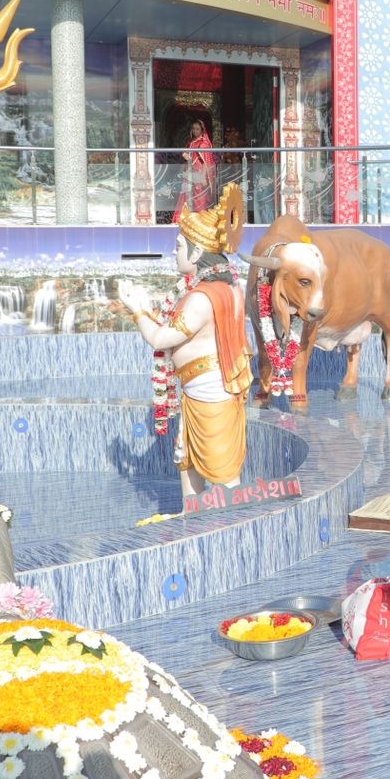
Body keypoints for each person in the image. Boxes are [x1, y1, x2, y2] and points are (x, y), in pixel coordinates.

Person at [120, 184, 253, 496]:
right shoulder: (230, 288)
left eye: (179, 246)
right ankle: (190, 516)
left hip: (209, 394)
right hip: (203, 390)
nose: (174, 252)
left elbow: (160, 339)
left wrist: (137, 310)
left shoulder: (201, 298)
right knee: (188, 460)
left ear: (196, 253)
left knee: (221, 472)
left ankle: (231, 519)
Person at [174, 119, 217, 218]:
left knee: (199, 197)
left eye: (197, 129)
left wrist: (203, 177)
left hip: (198, 173)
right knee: (186, 193)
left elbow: (206, 161)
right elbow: (188, 154)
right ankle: (184, 217)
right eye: (193, 128)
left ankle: (199, 218)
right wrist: (185, 155)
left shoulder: (204, 143)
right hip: (189, 171)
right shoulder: (191, 141)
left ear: (202, 130)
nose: (195, 131)